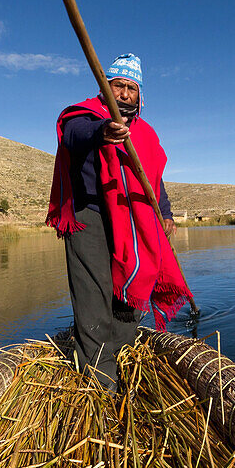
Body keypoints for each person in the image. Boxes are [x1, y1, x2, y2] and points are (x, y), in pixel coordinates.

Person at [46, 53, 191, 391]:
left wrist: (165, 214)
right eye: (118, 86)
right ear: (104, 86)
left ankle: (123, 352)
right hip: (90, 215)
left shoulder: (147, 134)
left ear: (140, 95)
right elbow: (74, 135)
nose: (125, 94)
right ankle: (100, 379)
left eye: (131, 88)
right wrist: (102, 132)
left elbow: (154, 179)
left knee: (134, 282)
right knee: (93, 293)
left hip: (133, 219)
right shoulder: (86, 116)